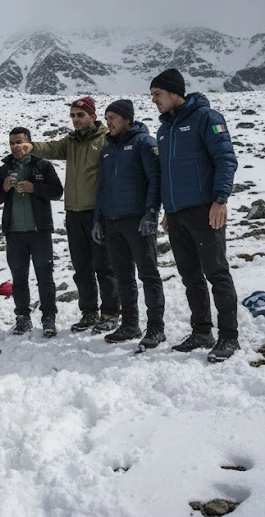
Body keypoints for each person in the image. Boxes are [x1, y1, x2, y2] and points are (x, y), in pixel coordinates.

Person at [150, 68, 240, 362]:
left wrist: (220, 200)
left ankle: (229, 337)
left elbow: (226, 159)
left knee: (216, 272)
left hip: (205, 210)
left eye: (157, 95)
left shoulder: (207, 119)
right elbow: (167, 174)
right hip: (176, 214)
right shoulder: (164, 130)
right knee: (190, 276)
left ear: (175, 93)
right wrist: (167, 210)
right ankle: (202, 331)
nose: (154, 101)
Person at [22, 96, 120, 333]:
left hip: (97, 212)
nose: (76, 120)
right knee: (81, 266)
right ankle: (88, 312)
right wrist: (32, 146)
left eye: (80, 115)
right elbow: (53, 148)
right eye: (73, 116)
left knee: (104, 266)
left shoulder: (106, 139)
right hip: (73, 212)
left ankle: (110, 313)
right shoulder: (72, 141)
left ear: (92, 116)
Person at [92, 100, 165, 349]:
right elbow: (101, 188)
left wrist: (152, 212)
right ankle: (130, 324)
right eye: (106, 117)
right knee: (123, 276)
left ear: (127, 119)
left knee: (149, 274)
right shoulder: (106, 149)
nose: (108, 122)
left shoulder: (144, 143)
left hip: (137, 219)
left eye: (113, 117)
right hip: (112, 221)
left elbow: (155, 178)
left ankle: (156, 327)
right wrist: (98, 219)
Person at [0, 127, 64, 337]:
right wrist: (4, 188)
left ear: (29, 143)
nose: (15, 146)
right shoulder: (5, 169)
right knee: (19, 278)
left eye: (19, 142)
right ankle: (22, 316)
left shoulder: (43, 165)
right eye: (12, 143)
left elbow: (57, 191)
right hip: (14, 232)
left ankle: (48, 318)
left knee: (45, 277)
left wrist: (35, 187)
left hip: (39, 231)